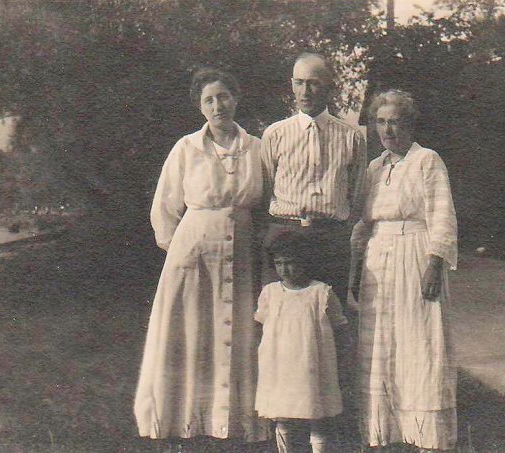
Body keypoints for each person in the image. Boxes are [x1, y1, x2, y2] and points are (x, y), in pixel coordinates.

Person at [134, 68, 269, 446]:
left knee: (238, 333)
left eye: (223, 96)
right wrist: (181, 249)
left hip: (241, 257)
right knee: (194, 334)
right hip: (193, 259)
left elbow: (268, 202)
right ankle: (185, 420)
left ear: (236, 98)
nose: (217, 105)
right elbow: (164, 209)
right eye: (208, 100)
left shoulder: (258, 148)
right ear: (200, 106)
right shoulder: (186, 149)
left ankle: (237, 424)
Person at [350, 89, 459, 452]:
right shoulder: (375, 168)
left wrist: (434, 264)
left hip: (415, 255)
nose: (387, 130)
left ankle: (424, 433)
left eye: (394, 121)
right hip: (378, 260)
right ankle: (385, 431)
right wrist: (354, 271)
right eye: (380, 122)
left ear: (409, 123)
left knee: (419, 341)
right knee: (382, 340)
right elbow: (364, 223)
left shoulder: (427, 161)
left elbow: (442, 216)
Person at [260, 52, 367, 308]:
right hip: (285, 235)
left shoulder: (351, 137)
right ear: (292, 84)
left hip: (330, 239)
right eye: (299, 82)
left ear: (329, 86)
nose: (305, 91)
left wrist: (340, 234)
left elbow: (358, 193)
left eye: (313, 83)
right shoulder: (275, 134)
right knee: (283, 318)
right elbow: (264, 190)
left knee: (331, 316)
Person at [254, 230, 350, 453]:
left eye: (290, 263)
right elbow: (260, 325)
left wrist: (343, 358)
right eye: (279, 263)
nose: (284, 270)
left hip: (311, 364)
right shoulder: (270, 292)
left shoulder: (321, 293)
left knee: (315, 413)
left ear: (306, 261)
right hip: (279, 365)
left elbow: (341, 326)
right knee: (282, 414)